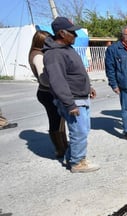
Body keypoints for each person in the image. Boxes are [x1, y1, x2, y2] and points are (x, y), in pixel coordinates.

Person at [43, 17, 99, 173]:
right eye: (72, 33)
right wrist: (69, 104)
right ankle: (77, 163)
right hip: (73, 100)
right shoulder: (54, 54)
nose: (75, 35)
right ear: (62, 33)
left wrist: (89, 87)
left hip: (81, 96)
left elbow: (75, 73)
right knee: (78, 131)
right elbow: (57, 81)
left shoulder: (67, 49)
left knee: (83, 130)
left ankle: (71, 156)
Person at [29, 30, 68, 158]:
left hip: (49, 92)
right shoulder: (38, 56)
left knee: (60, 120)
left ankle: (64, 145)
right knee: (55, 120)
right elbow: (44, 79)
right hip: (47, 93)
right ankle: (60, 148)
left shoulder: (40, 53)